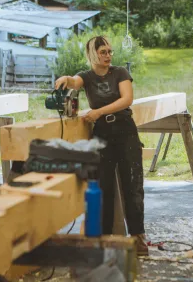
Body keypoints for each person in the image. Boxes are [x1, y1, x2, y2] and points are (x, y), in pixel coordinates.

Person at [55, 36, 148, 255]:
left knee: (133, 186)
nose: (108, 56)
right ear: (92, 54)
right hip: (102, 135)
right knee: (103, 188)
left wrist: (98, 112)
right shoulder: (86, 76)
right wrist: (65, 79)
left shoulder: (120, 73)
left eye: (109, 52)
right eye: (103, 52)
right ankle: (105, 240)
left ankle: (138, 237)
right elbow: (75, 82)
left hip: (125, 130)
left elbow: (127, 99)